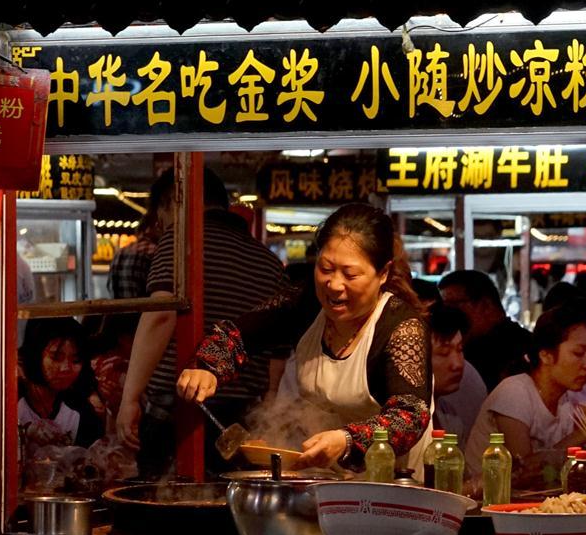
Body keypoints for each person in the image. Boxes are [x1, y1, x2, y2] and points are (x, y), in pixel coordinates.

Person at [176, 203, 433, 475]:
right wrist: (207, 368)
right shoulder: (307, 304)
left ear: (383, 273)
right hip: (327, 478)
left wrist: (345, 440)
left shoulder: (402, 327)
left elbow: (411, 415)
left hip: (395, 482)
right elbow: (239, 334)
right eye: (326, 268)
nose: (334, 285)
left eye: (350, 274)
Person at [117, 168, 286, 477]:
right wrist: (267, 414)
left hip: (178, 415)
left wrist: (129, 399)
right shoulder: (269, 262)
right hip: (242, 418)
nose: (162, 225)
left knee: (167, 511)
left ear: (174, 203)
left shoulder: (180, 243)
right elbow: (277, 352)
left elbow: (160, 316)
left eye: (160, 215)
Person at [464, 303, 586, 482]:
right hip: (484, 502)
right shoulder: (514, 392)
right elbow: (526, 469)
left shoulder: (568, 399)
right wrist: (583, 433)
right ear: (546, 355)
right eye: (578, 353)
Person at [438, 269, 532, 392]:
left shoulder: (522, 347)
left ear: (486, 305)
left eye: (453, 305)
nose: (448, 314)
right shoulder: (466, 347)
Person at [18, 318, 104, 449]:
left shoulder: (80, 408)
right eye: (56, 358)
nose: (66, 368)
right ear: (35, 356)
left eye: (75, 360)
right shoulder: (10, 398)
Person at [429, 302, 487, 450]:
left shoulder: (449, 416)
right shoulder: (398, 418)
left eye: (460, 349)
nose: (457, 364)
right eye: (444, 353)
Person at [107, 172, 169, 300]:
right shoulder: (156, 253)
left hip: (119, 316)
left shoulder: (120, 252)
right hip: (143, 317)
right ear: (154, 226)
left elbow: (110, 287)